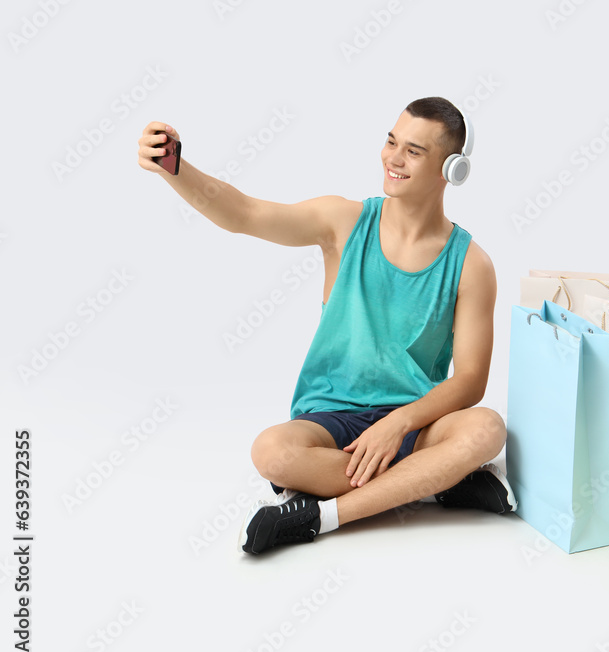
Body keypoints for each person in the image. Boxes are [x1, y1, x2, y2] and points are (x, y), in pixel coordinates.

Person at [137, 97, 516, 555]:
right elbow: (244, 214)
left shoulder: (472, 264)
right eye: (391, 141)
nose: (392, 158)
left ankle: (321, 514)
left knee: (487, 429)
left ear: (451, 169)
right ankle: (435, 483)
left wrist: (398, 423)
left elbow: (471, 381)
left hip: (417, 421)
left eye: (413, 151)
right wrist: (175, 168)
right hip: (330, 418)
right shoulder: (344, 221)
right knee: (271, 452)